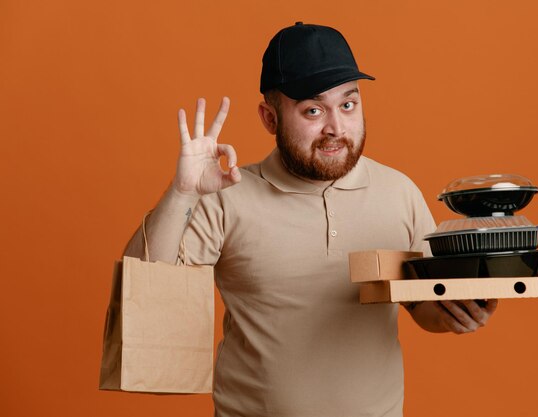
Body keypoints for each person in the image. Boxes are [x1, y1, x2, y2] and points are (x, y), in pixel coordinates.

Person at [123, 22, 497, 417]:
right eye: (314, 110)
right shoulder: (226, 196)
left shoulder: (399, 192)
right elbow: (144, 294)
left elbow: (426, 307)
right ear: (270, 119)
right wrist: (181, 192)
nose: (336, 128)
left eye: (348, 104)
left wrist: (460, 312)